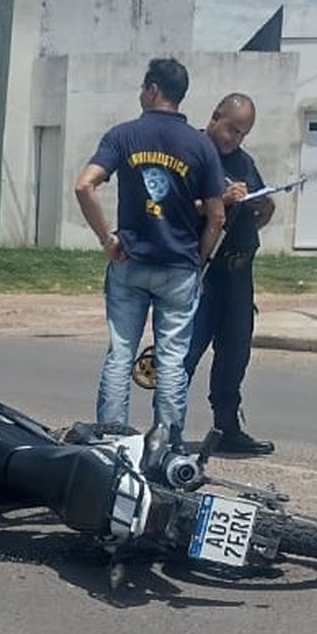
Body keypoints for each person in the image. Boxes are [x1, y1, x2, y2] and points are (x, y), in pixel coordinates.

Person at [74, 58, 225, 451]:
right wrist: (200, 259)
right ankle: (166, 445)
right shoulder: (200, 145)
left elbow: (84, 186)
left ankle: (110, 445)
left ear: (153, 89)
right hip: (179, 267)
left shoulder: (123, 136)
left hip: (130, 262)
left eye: (144, 87)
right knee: (172, 360)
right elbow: (217, 214)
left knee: (121, 354)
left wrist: (108, 239)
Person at [183, 93, 277, 456]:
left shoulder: (242, 161)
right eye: (231, 129)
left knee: (235, 352)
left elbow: (260, 215)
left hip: (240, 272)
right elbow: (179, 207)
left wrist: (263, 205)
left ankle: (227, 427)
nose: (234, 139)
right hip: (206, 270)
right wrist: (221, 199)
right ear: (215, 116)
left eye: (242, 133)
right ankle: (168, 428)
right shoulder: (191, 152)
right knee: (187, 351)